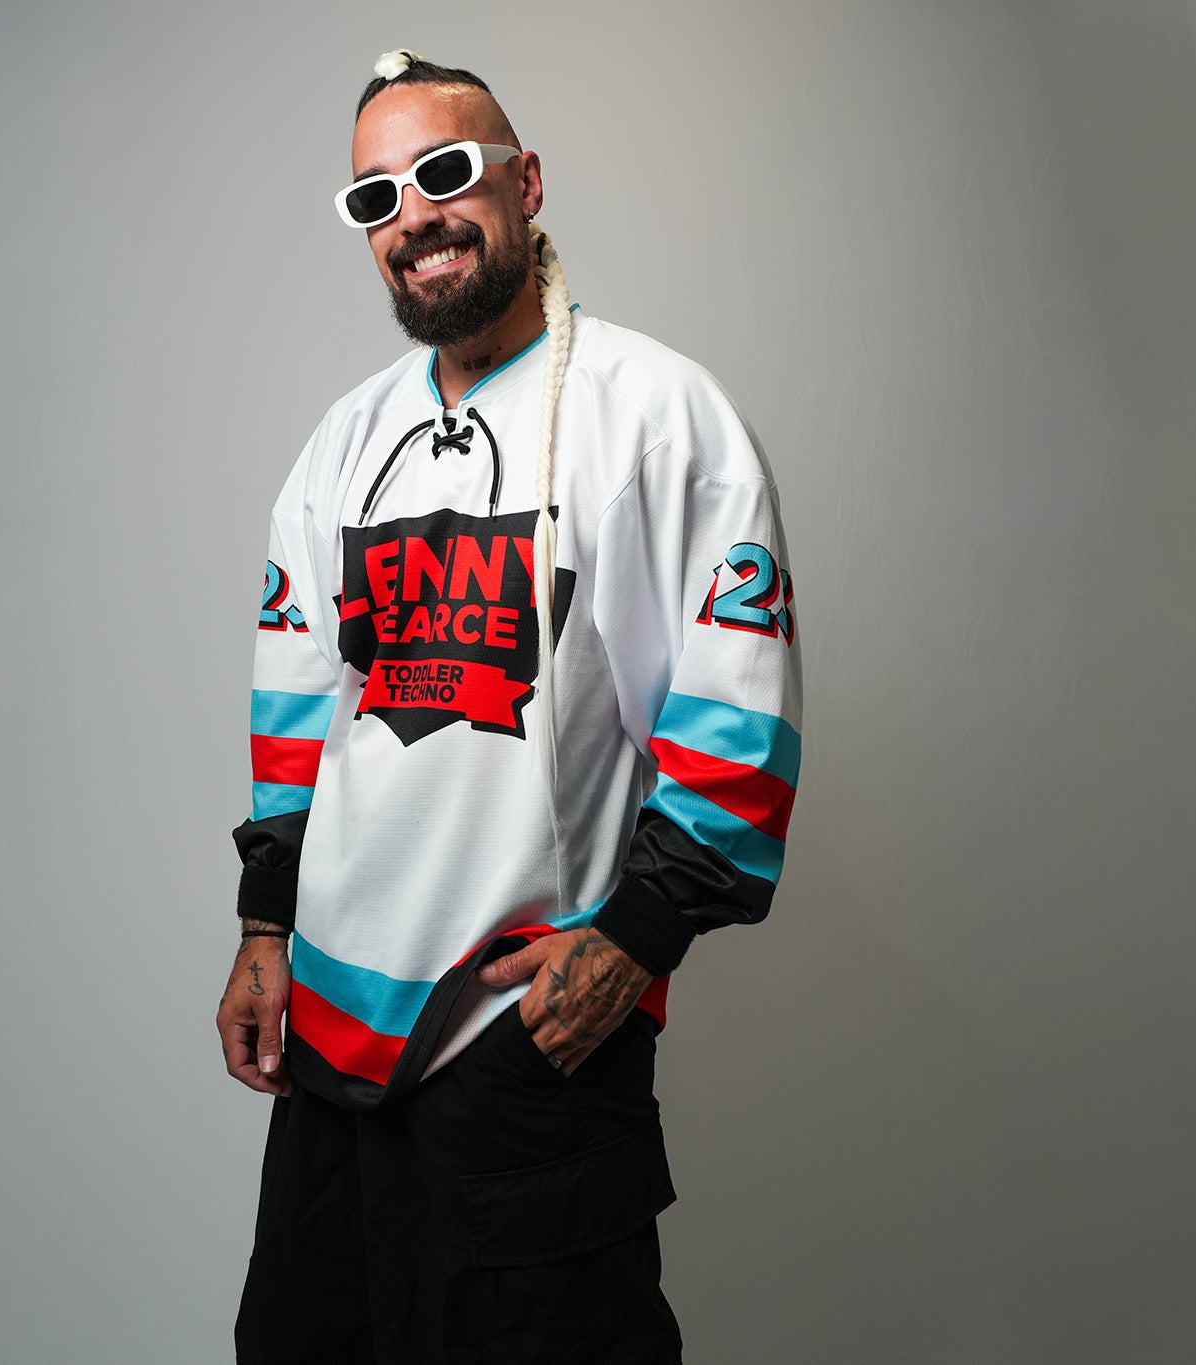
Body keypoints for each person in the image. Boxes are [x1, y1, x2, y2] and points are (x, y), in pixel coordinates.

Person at [217, 48, 804, 1363]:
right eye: (376, 196)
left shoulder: (656, 414)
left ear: (524, 183)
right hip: (330, 1047)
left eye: (443, 173)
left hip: (520, 1047)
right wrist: (264, 924)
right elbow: (296, 701)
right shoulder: (342, 441)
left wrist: (636, 936)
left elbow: (739, 708)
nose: (412, 217)